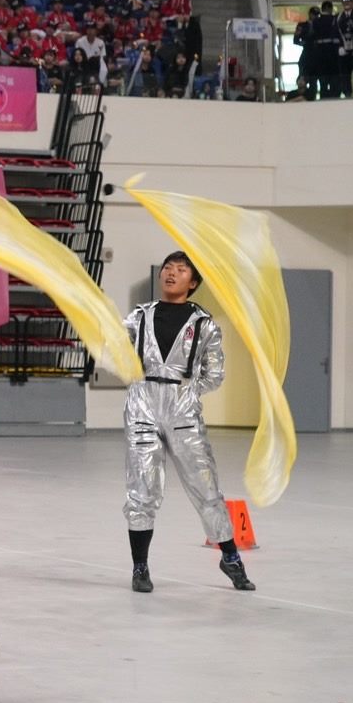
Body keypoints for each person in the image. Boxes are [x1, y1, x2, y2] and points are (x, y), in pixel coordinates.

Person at [122, 252, 256, 594]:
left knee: (206, 487)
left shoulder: (205, 324)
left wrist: (188, 391)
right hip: (142, 405)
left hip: (182, 412)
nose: (171, 273)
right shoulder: (139, 317)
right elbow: (115, 349)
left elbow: (215, 374)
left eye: (181, 270)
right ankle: (140, 566)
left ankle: (230, 557)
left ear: (192, 283)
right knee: (142, 489)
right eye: (167, 267)